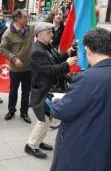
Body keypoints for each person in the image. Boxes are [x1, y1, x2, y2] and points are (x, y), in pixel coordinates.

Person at [50, 28, 111, 171]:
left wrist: (55, 102)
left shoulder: (88, 78)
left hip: (85, 148)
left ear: (88, 49)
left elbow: (63, 111)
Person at [24, 22, 77, 159]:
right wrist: (67, 64)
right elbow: (49, 70)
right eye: (49, 32)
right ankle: (31, 145)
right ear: (40, 34)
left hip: (49, 89)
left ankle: (39, 142)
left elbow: (56, 60)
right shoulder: (37, 51)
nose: (52, 34)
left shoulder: (46, 46)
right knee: (43, 120)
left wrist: (68, 53)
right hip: (40, 91)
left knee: (47, 118)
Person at [0, 9, 34, 123]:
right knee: (13, 91)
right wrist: (14, 59)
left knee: (26, 92)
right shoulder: (8, 33)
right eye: (25, 17)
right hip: (15, 69)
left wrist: (53, 13)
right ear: (17, 19)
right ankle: (11, 111)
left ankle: (24, 113)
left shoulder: (30, 28)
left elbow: (43, 23)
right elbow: (3, 49)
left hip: (28, 68)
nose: (27, 18)